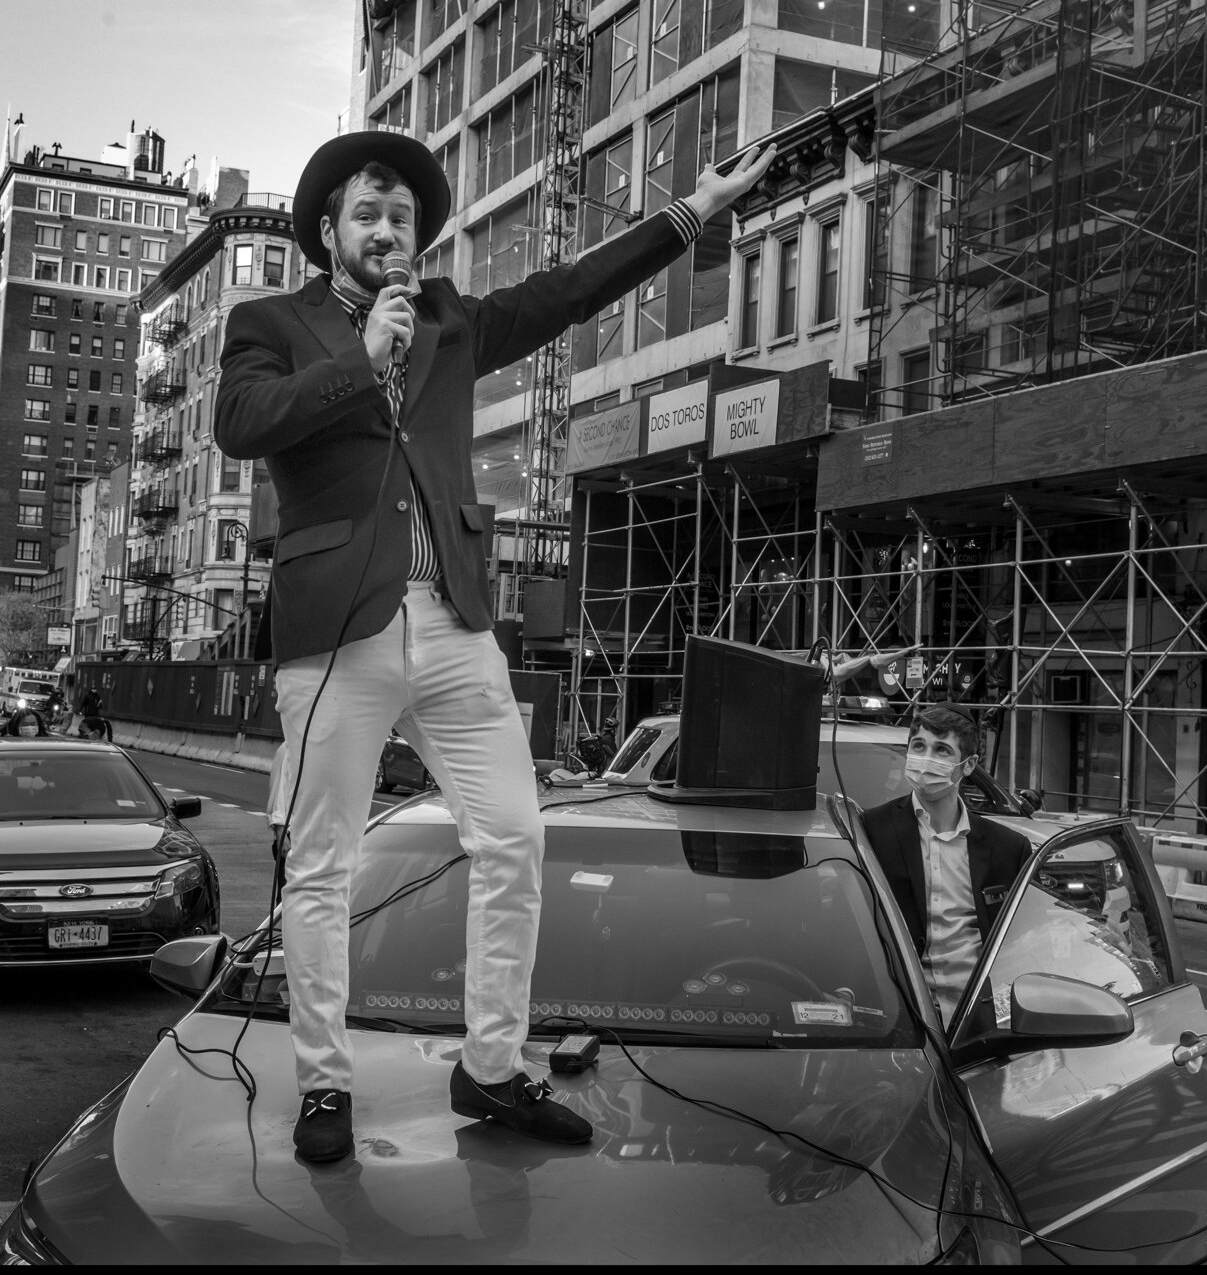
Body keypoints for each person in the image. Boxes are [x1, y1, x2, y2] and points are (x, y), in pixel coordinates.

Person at [216, 128, 776, 1163]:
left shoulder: (452, 322)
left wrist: (692, 211)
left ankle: (490, 1065)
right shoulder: (271, 324)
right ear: (328, 233)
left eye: (403, 218)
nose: (390, 231)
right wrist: (359, 356)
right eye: (369, 216)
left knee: (515, 837)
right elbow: (243, 424)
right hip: (336, 624)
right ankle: (325, 1083)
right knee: (322, 868)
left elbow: (567, 292)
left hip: (457, 619)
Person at [857, 705, 1033, 1028]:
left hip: (978, 1024)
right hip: (903, 1018)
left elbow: (1021, 944)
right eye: (919, 746)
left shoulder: (1008, 848)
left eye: (941, 750)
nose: (926, 759)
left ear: (968, 766)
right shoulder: (872, 830)